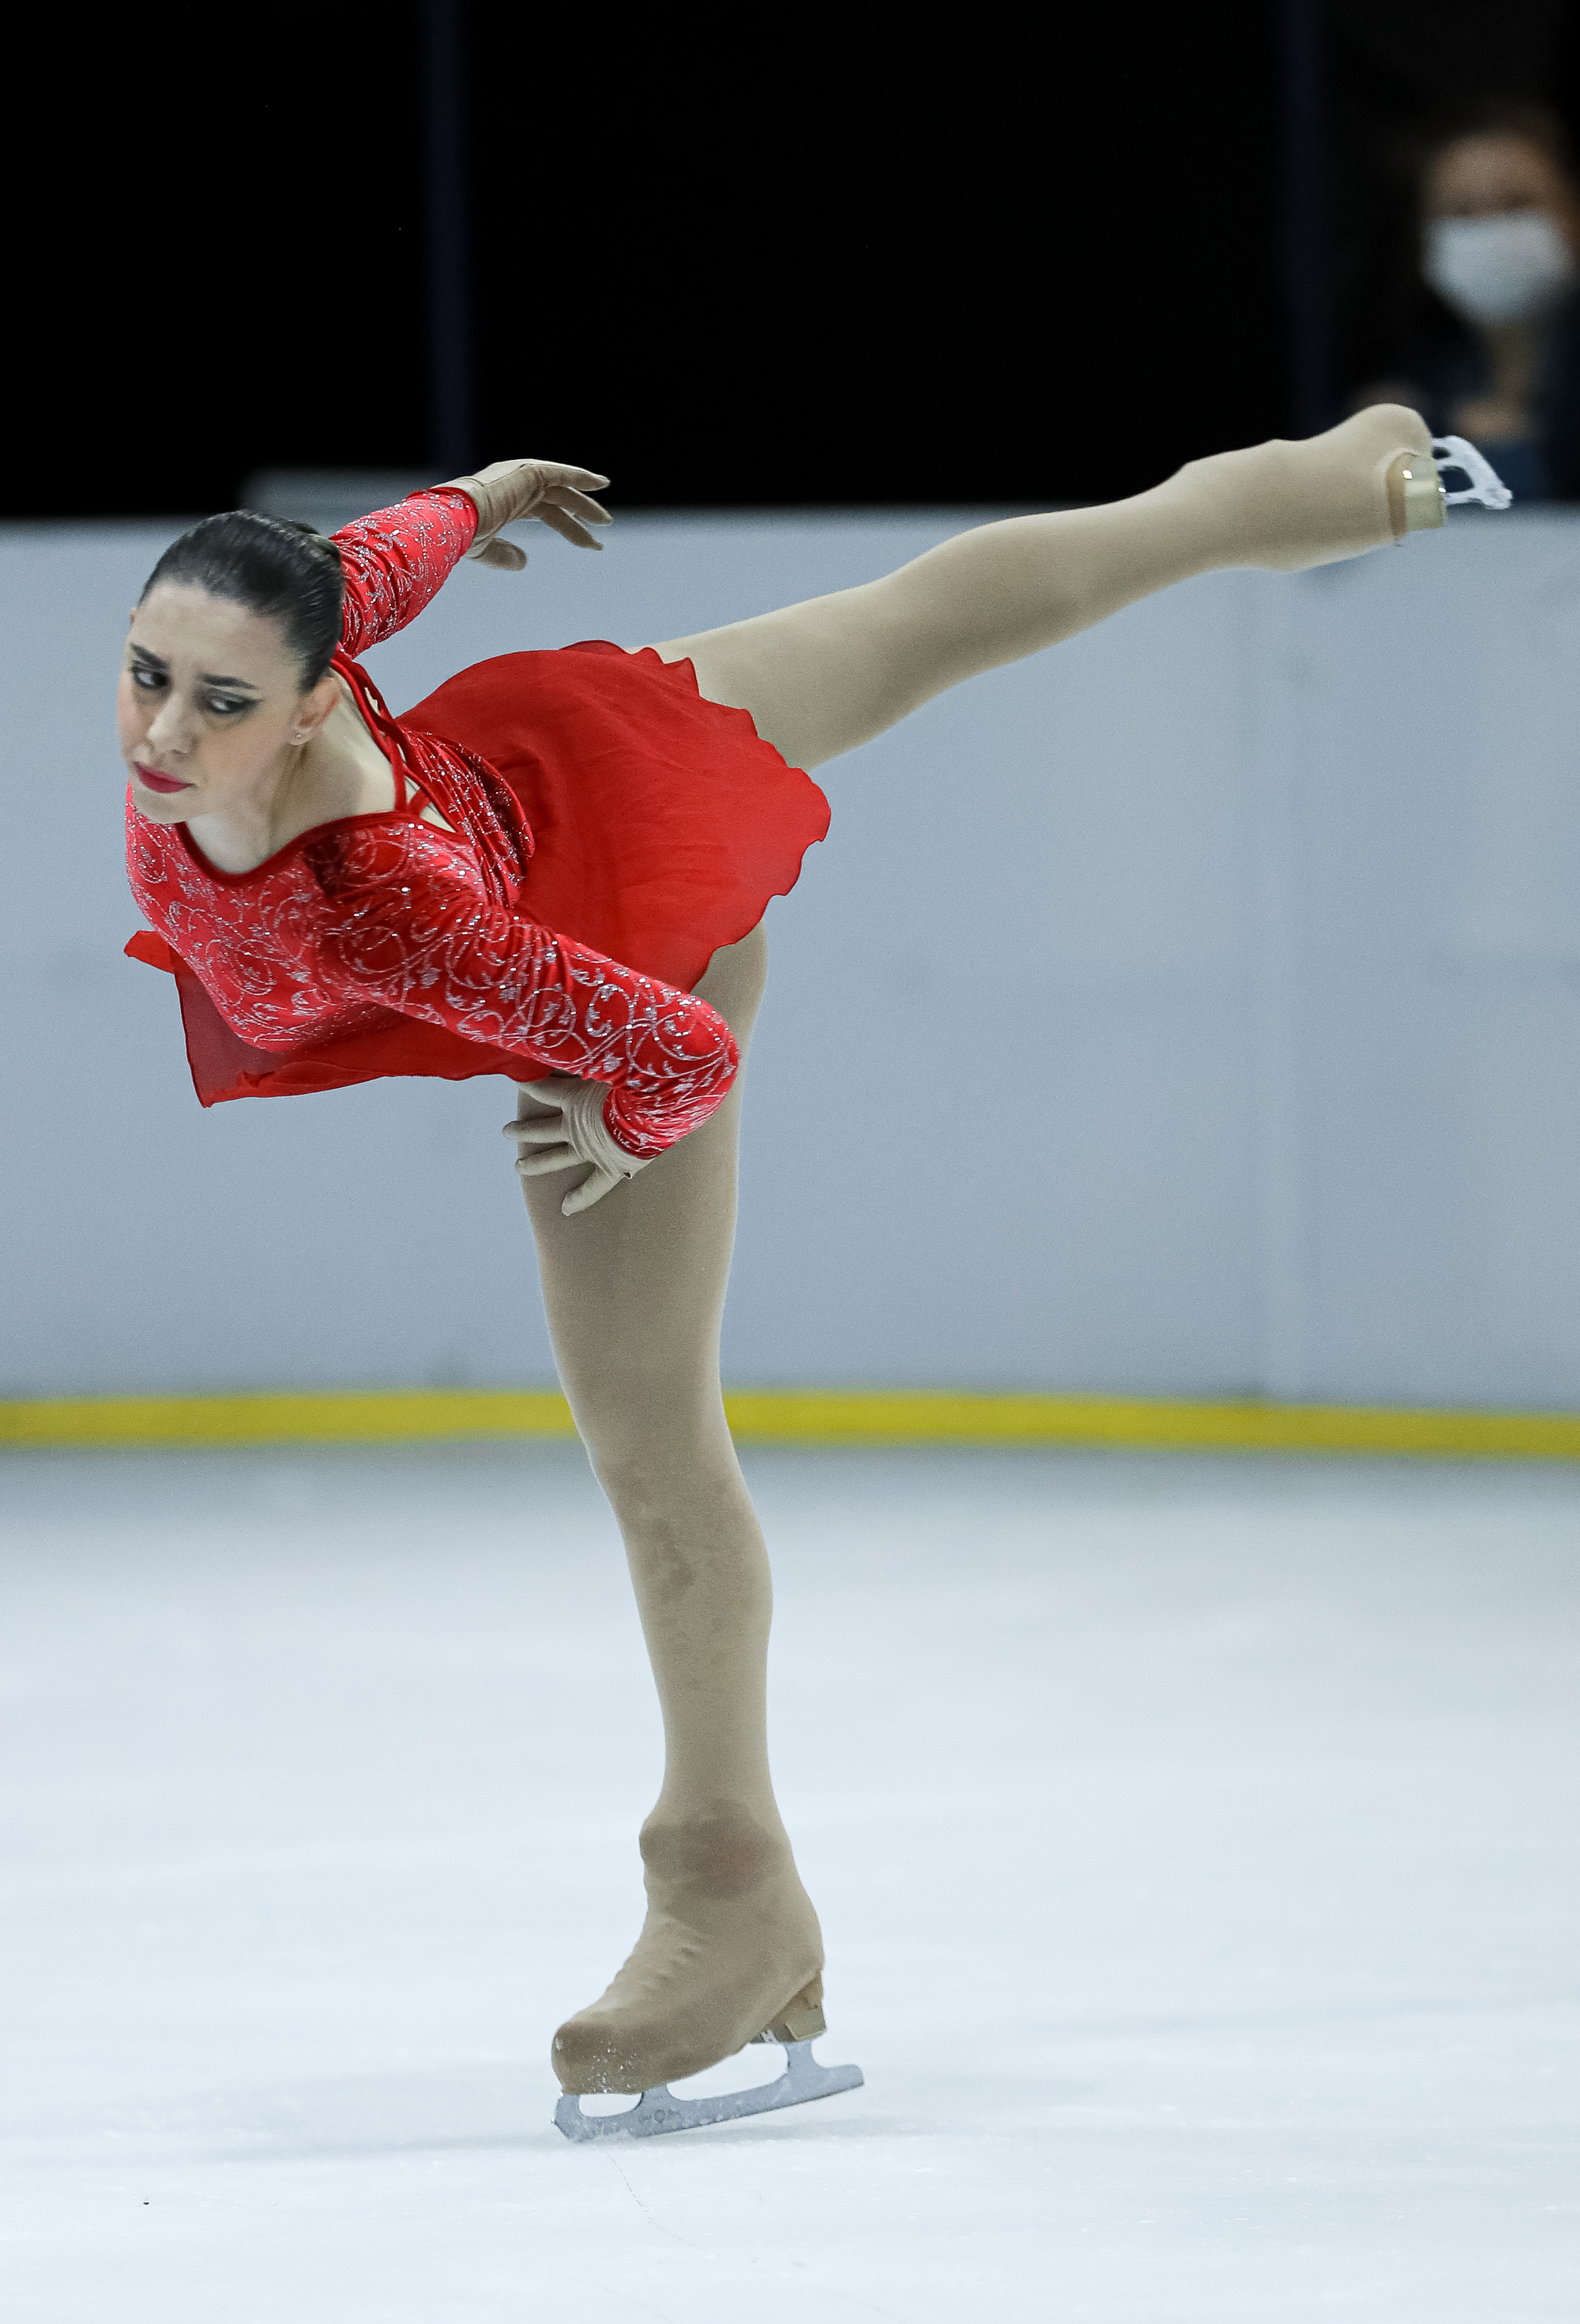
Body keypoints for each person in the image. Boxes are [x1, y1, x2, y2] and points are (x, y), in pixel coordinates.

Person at [120, 405, 1470, 2118]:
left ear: (314, 703)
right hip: (571, 758)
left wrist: (621, 1124)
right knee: (929, 617)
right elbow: (370, 564)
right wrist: (484, 493)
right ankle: (1325, 479)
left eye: (220, 701)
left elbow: (676, 1044)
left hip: (614, 938)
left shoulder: (386, 902)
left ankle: (725, 1884)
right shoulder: (300, 623)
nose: (164, 731)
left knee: (650, 1445)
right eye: (147, 673)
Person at [1400, 100, 1580, 501]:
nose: (1490, 227)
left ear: (1571, 213)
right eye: (1461, 211)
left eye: (1516, 203)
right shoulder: (1426, 381)